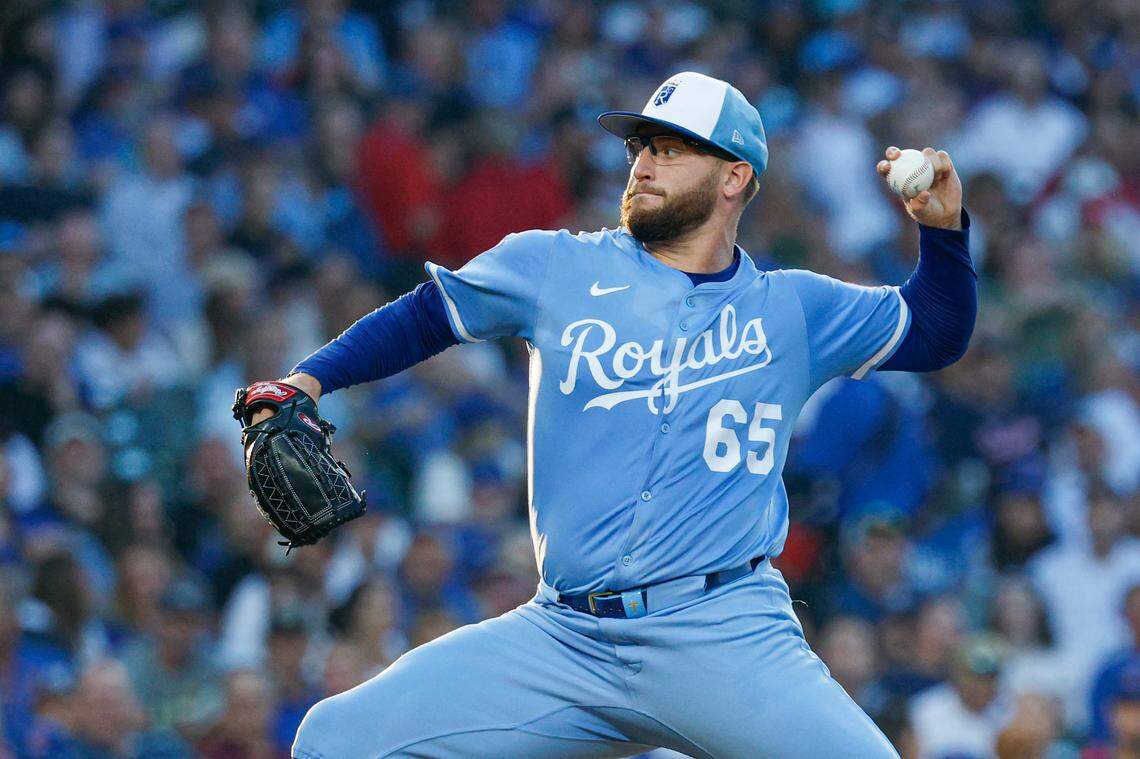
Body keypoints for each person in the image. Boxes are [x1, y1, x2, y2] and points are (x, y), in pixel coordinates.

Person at [249, 71, 976, 756]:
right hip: (563, 636)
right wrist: (309, 381)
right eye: (641, 146)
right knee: (338, 737)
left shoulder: (794, 308)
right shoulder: (556, 265)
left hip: (723, 632)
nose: (644, 165)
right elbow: (427, 315)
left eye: (671, 148)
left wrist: (944, 234)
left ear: (735, 177)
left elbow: (935, 329)